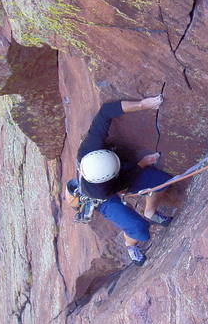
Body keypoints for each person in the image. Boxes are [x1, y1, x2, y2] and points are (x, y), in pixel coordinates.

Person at [74, 95, 172, 266]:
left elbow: (105, 112)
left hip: (115, 176)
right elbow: (124, 183)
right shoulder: (100, 190)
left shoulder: (90, 148)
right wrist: (142, 164)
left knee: (162, 181)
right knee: (140, 230)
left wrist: (143, 104)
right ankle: (130, 245)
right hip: (104, 197)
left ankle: (150, 211)